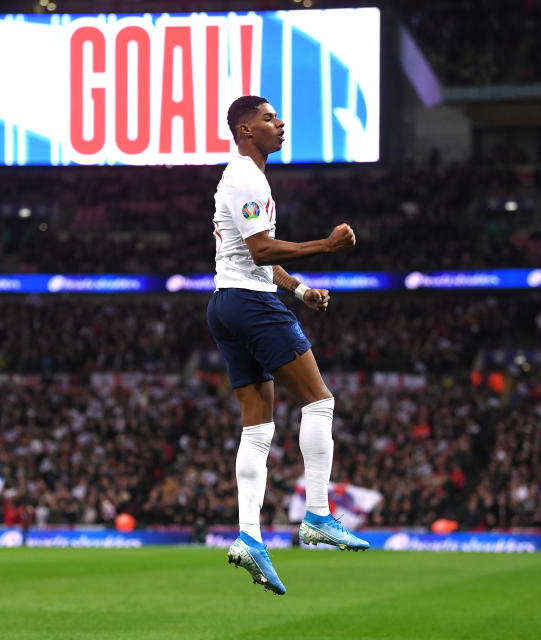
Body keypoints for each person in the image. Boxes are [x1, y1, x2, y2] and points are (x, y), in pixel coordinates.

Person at [207, 95, 369, 597]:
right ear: (244, 130)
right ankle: (317, 513)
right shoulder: (245, 178)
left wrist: (300, 290)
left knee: (258, 427)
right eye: (269, 118)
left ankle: (249, 538)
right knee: (319, 400)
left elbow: (255, 258)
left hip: (227, 303)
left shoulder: (245, 177)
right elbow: (261, 250)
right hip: (252, 306)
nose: (280, 124)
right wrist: (325, 245)